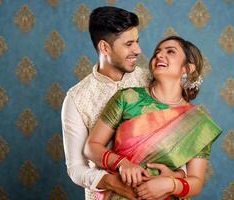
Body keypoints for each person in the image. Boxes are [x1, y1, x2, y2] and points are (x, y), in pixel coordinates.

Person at [84, 36, 222, 200]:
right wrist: (122, 163)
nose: (159, 56)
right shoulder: (128, 98)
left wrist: (169, 184)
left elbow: (196, 182)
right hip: (118, 194)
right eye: (157, 52)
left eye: (170, 52)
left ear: (187, 68)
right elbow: (91, 147)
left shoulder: (198, 122)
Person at [62, 6, 151, 200]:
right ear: (104, 47)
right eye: (129, 44)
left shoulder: (150, 81)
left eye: (137, 41)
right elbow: (76, 168)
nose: (138, 50)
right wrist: (113, 183)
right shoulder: (77, 98)